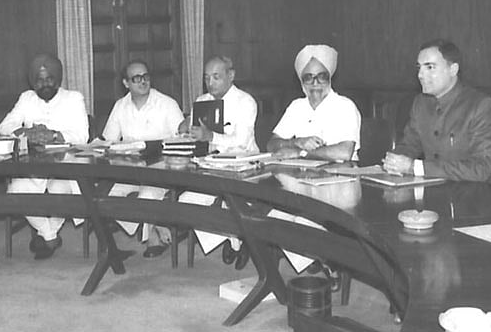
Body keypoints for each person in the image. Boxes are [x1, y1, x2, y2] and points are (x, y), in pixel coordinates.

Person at [0, 53, 89, 260]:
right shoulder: (27, 98)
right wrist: (25, 132)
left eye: (50, 79)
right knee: (17, 190)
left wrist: (53, 135)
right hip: (33, 165)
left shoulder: (73, 98)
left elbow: (82, 136)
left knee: (60, 191)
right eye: (39, 81)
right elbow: (5, 126)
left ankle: (47, 235)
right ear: (33, 82)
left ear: (58, 79)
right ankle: (50, 236)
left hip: (65, 164)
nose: (45, 84)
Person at [177, 56, 258, 270]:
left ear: (231, 75)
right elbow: (193, 135)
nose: (210, 83)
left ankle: (240, 241)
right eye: (206, 78)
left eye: (216, 77)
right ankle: (231, 238)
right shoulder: (202, 101)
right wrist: (186, 130)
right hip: (209, 167)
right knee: (186, 202)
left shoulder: (245, 102)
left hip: (242, 168)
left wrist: (210, 136)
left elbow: (241, 142)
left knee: (231, 205)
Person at [383, 39, 491, 183]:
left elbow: (480, 169)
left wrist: (416, 168)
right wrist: (395, 161)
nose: (420, 75)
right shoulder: (420, 103)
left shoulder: (480, 105)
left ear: (453, 70)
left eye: (430, 67)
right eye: (419, 67)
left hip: (479, 193)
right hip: (436, 191)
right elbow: (410, 145)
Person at [101, 60, 182, 258]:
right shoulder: (120, 106)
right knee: (103, 195)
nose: (143, 81)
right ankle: (153, 225)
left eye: (145, 76)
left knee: (147, 195)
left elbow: (183, 140)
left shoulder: (167, 104)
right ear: (126, 83)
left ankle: (152, 236)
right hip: (128, 170)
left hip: (160, 171)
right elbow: (108, 140)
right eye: (136, 78)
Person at [268, 44, 360, 162]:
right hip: (302, 170)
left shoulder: (345, 106)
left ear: (330, 79)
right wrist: (296, 142)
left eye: (322, 76)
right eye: (308, 77)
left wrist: (300, 153)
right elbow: (271, 145)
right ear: (302, 82)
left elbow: (344, 153)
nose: (315, 83)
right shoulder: (297, 106)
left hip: (342, 171)